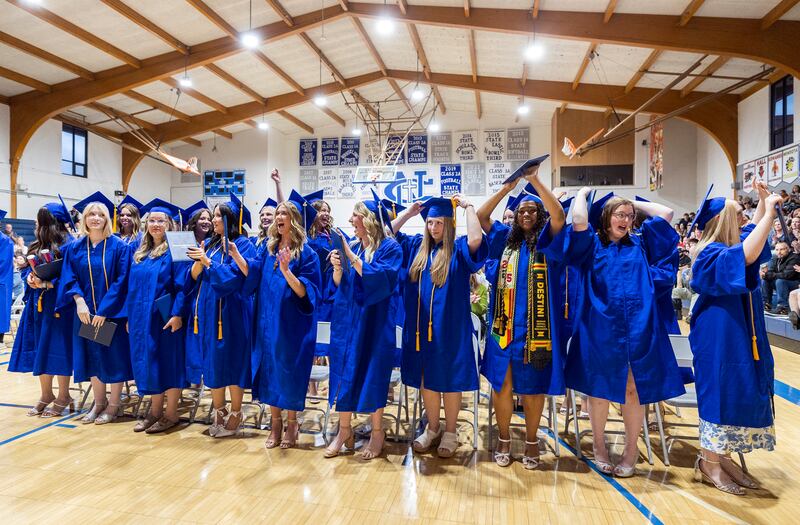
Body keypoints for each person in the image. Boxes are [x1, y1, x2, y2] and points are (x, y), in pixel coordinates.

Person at [550, 189, 684, 477]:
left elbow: (666, 214)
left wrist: (629, 201)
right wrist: (584, 194)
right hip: (600, 328)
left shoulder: (641, 243)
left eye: (629, 216)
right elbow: (578, 219)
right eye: (619, 214)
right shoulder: (592, 246)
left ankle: (630, 449)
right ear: (606, 218)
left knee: (634, 390)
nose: (625, 219)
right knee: (599, 392)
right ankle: (598, 446)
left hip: (639, 326)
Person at [689, 190, 780, 495]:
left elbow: (748, 239)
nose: (744, 220)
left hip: (738, 333)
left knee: (736, 390)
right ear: (725, 221)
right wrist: (768, 213)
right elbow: (747, 253)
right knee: (718, 393)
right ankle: (709, 463)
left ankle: (722, 458)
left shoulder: (727, 246)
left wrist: (762, 210)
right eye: (739, 215)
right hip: (718, 337)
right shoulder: (708, 254)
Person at [476, 169, 567, 469]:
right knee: (501, 386)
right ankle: (503, 437)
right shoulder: (505, 241)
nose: (526, 214)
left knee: (533, 388)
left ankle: (531, 440)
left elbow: (559, 216)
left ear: (539, 215)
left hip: (535, 330)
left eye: (532, 210)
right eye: (521, 211)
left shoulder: (548, 242)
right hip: (503, 327)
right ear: (514, 217)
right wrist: (508, 188)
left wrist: (536, 182)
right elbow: (481, 215)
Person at [392, 196, 488, 458]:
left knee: (450, 381)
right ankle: (432, 428)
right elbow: (388, 233)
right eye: (430, 222)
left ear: (449, 224)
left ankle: (451, 432)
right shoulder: (416, 248)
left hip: (451, 330)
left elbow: (476, 240)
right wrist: (410, 213)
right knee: (427, 380)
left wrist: (468, 208)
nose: (434, 228)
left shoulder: (458, 251)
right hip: (420, 331)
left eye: (439, 223)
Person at [325, 193, 403, 460]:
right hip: (349, 323)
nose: (350, 221)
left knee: (374, 373)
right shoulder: (356, 248)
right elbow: (340, 285)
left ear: (369, 220)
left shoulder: (391, 248)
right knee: (345, 372)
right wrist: (338, 268)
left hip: (376, 322)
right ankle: (344, 430)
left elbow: (382, 280)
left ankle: (377, 432)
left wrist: (349, 256)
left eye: (355, 216)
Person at [245, 191, 321, 450]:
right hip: (266, 322)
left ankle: (291, 424)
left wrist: (287, 270)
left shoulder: (307, 253)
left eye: (283, 213)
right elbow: (251, 275)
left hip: (292, 325)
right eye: (277, 213)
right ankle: (274, 423)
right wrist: (234, 255)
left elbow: (306, 293)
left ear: (295, 219)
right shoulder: (267, 250)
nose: (278, 217)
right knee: (269, 371)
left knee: (288, 372)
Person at [57, 192, 133, 425]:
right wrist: (79, 301)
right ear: (84, 219)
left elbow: (122, 280)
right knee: (92, 357)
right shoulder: (75, 247)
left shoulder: (119, 247)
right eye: (91, 214)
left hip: (111, 314)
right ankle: (98, 403)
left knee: (113, 358)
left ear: (107, 219)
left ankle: (114, 405)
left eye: (100, 214)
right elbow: (68, 276)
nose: (96, 218)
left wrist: (104, 310)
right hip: (85, 314)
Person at [186, 193, 254, 438]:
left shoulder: (244, 245)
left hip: (232, 312)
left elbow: (234, 278)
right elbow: (193, 278)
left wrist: (207, 262)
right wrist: (198, 263)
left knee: (233, 361)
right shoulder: (212, 245)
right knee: (212, 361)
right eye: (213, 215)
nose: (214, 220)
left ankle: (236, 413)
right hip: (207, 311)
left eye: (218, 215)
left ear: (231, 219)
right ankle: (219, 411)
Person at [126, 200, 189, 434]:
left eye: (160, 221)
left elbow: (184, 286)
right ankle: (154, 412)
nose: (155, 225)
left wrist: (177, 314)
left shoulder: (177, 248)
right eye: (151, 220)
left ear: (169, 224)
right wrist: (130, 318)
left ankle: (171, 413)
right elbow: (131, 288)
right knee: (150, 363)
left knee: (168, 362)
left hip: (166, 317)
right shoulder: (141, 252)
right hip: (142, 318)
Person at [8, 201, 76, 417]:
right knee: (40, 348)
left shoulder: (70, 245)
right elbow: (28, 270)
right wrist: (29, 278)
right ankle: (47, 394)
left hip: (60, 304)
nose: (38, 225)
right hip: (38, 304)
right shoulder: (37, 245)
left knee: (58, 349)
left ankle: (64, 395)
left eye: (41, 221)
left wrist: (49, 283)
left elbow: (73, 277)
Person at [181, 200, 212, 387]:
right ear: (194, 221)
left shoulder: (214, 242)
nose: (206, 221)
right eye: (202, 218)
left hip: (204, 295)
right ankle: (190, 378)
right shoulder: (184, 242)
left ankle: (201, 378)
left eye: (209, 218)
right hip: (187, 293)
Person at [305, 190, 335, 359]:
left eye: (328, 211)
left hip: (329, 289)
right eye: (322, 210)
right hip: (312, 288)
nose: (326, 214)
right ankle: (311, 386)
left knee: (327, 335)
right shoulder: (305, 237)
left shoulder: (333, 236)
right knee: (310, 335)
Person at [760, 241, 800, 314]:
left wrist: (770, 275)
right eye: (777, 249)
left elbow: (787, 275)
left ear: (788, 249)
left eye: (782, 249)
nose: (779, 252)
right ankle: (766, 304)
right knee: (765, 280)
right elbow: (770, 270)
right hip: (781, 283)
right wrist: (766, 275)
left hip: (795, 283)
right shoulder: (775, 257)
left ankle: (783, 307)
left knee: (780, 281)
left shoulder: (794, 258)